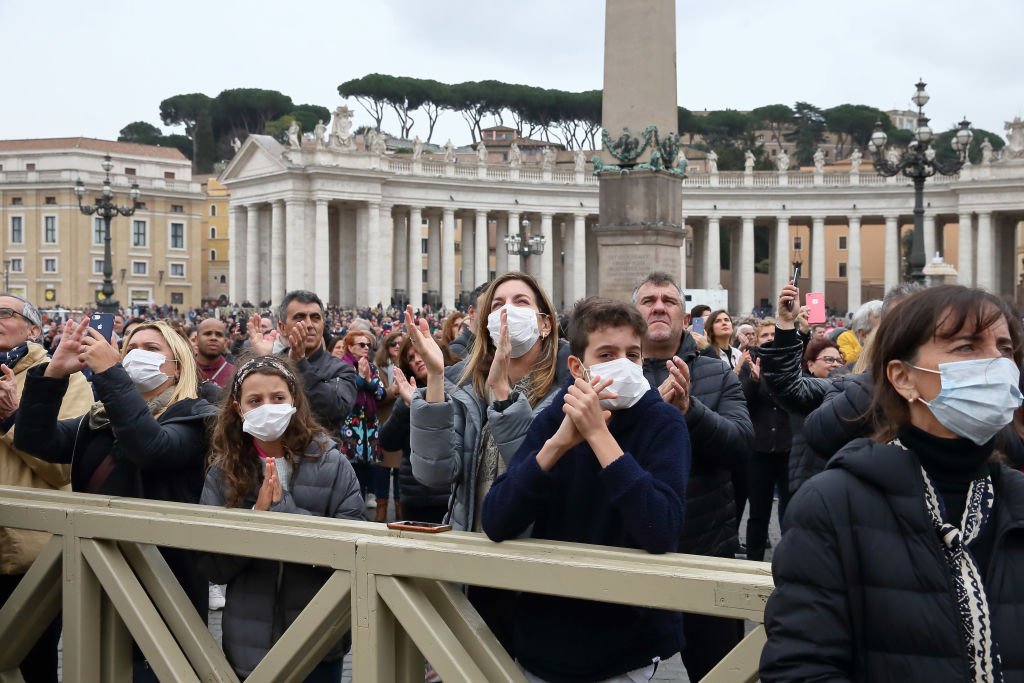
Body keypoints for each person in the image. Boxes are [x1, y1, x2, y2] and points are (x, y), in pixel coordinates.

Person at [760, 285, 1024, 682]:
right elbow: (801, 668)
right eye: (967, 347)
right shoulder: (832, 505)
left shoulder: (1015, 497)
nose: (997, 364)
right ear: (903, 377)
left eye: (1004, 349)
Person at [482, 297, 689, 682]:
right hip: (544, 633)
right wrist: (557, 445)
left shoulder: (662, 423)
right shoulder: (555, 416)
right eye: (608, 354)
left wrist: (598, 435)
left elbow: (661, 527)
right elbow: (496, 519)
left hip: (626, 643)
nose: (624, 365)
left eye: (633, 355)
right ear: (578, 366)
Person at [16, 318, 217, 680]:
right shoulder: (98, 420)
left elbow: (149, 445)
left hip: (166, 582)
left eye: (152, 349)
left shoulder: (197, 418)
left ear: (178, 365)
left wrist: (110, 373)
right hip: (99, 578)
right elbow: (34, 440)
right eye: (130, 349)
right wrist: (53, 374)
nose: (138, 354)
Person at [409, 271, 566, 655]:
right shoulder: (464, 390)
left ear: (545, 325)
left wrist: (505, 397)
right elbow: (434, 473)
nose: (507, 312)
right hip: (473, 563)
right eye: (497, 306)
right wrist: (433, 376)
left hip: (541, 569)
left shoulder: (567, 392)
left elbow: (542, 480)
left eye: (521, 302)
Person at [199, 355, 364, 682]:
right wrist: (254, 522)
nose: (268, 407)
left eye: (278, 398)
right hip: (250, 644)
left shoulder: (332, 463)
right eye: (255, 401)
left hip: (318, 639)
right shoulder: (223, 472)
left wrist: (282, 512)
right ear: (238, 408)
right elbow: (212, 565)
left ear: (294, 401)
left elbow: (353, 550)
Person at [632, 272, 752, 682]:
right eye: (648, 300)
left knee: (720, 670)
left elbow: (740, 446)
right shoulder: (610, 373)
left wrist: (690, 412)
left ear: (686, 320)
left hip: (705, 549)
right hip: (628, 550)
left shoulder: (718, 375)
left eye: (669, 301)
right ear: (635, 314)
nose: (659, 306)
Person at [0, 295, 93, 683]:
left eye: (4, 314)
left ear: (35, 329)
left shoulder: (62, 377)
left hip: (30, 554)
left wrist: (12, 418)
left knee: (30, 666)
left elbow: (64, 467)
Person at [248, 290, 357, 430]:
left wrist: (300, 364)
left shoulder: (341, 369)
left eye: (315, 318)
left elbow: (336, 410)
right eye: (300, 317)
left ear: (323, 325)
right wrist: (262, 361)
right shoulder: (272, 362)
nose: (309, 324)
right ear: (282, 328)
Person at [381, 337, 451, 523]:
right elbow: (387, 441)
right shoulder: (408, 395)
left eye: (420, 353)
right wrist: (406, 406)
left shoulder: (459, 389)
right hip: (415, 493)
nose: (417, 360)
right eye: (411, 358)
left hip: (450, 492)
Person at [738, 320, 791, 561]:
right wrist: (754, 381)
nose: (770, 337)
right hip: (758, 450)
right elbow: (740, 402)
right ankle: (753, 562)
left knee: (790, 510)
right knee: (758, 512)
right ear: (757, 340)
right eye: (765, 335)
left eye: (773, 334)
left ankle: (792, 560)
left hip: (786, 446)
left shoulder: (790, 364)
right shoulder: (749, 365)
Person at [329, 331, 395, 521]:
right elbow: (344, 390)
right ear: (350, 347)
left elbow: (381, 394)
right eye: (361, 345)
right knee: (352, 465)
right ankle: (352, 503)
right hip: (351, 424)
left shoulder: (372, 367)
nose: (366, 348)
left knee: (370, 464)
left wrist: (368, 381)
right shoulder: (341, 367)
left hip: (370, 424)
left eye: (368, 345)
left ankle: (368, 495)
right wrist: (360, 379)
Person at [195, 318, 235, 388]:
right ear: (196, 339)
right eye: (207, 334)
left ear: (225, 342)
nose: (213, 338)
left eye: (219, 335)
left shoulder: (234, 374)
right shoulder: (184, 372)